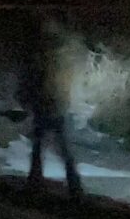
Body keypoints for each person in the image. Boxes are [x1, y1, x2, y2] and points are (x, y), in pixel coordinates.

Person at [16, 16, 82, 200]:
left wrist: (27, 97)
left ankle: (36, 181)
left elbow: (33, 79)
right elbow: (61, 81)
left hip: (45, 102)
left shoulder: (41, 55)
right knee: (57, 144)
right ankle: (72, 182)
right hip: (54, 103)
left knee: (41, 144)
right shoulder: (60, 54)